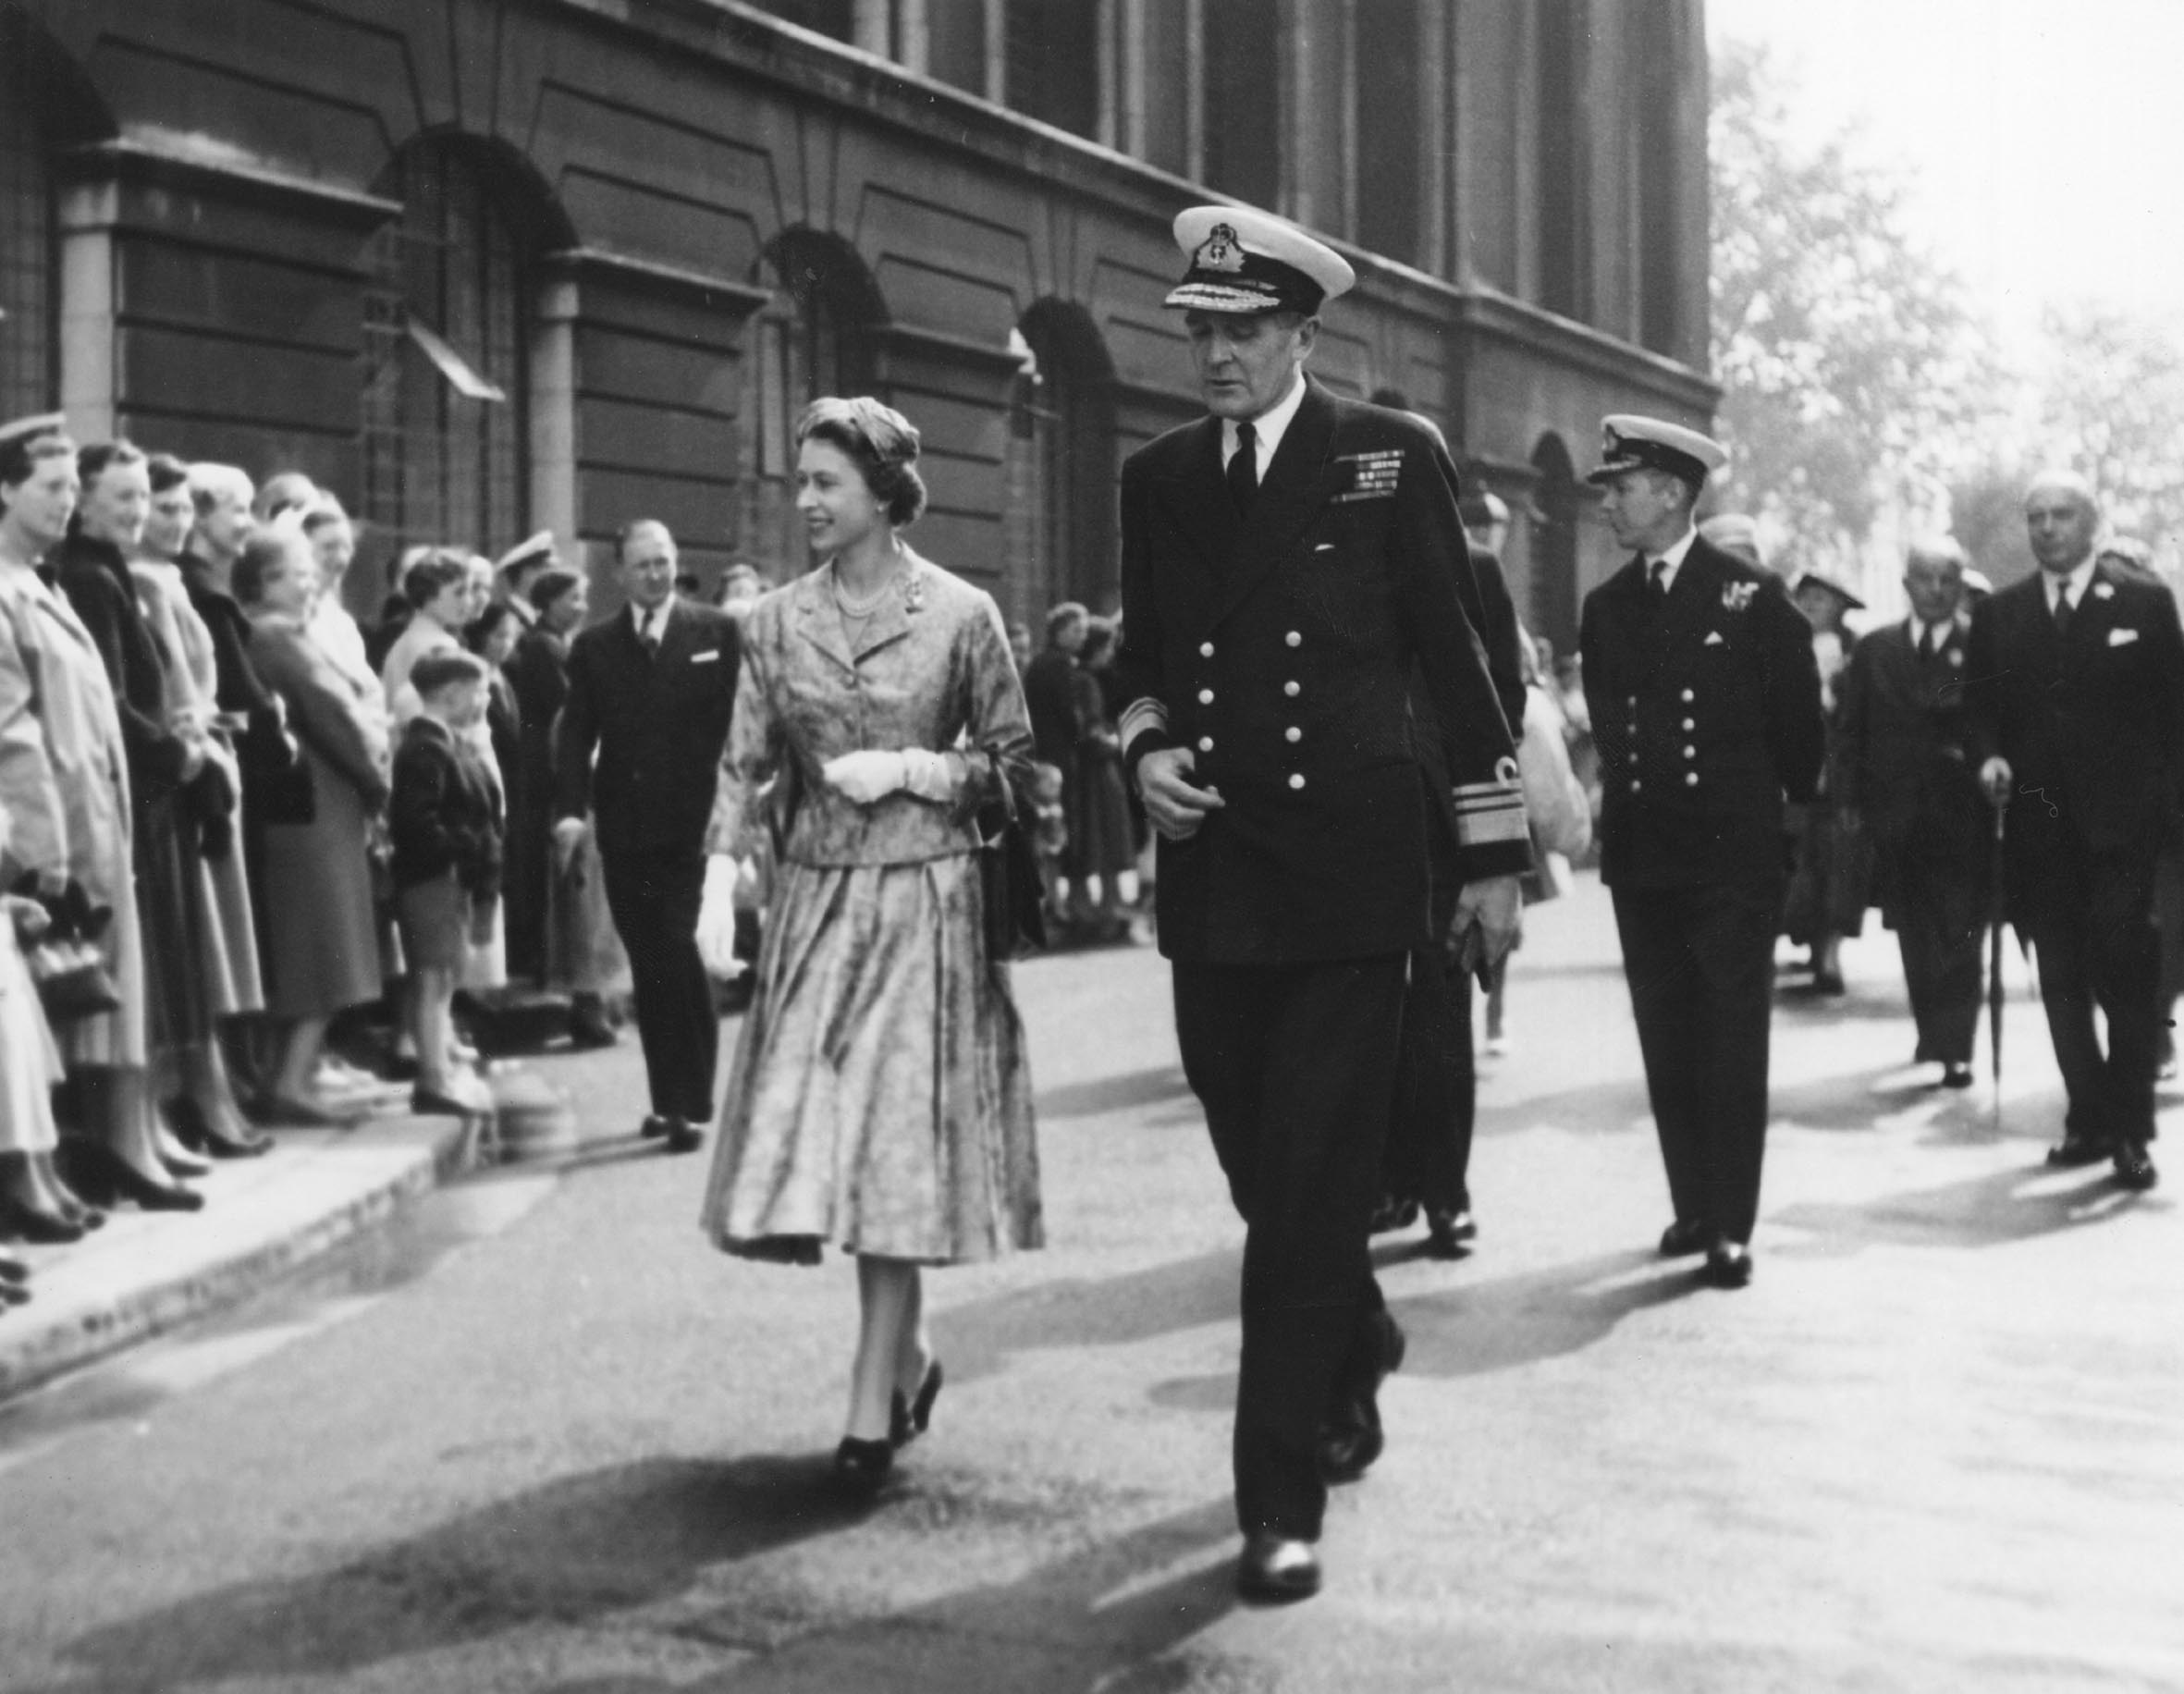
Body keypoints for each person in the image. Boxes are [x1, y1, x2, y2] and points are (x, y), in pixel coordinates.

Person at [1110, 208, 1527, 1602]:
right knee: (1260, 1171)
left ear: (1301, 334)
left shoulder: (1384, 455)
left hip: (1353, 881)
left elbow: (1455, 661)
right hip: (1217, 875)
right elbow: (1140, 661)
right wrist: (1146, 746)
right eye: (1200, 331)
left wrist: (1485, 858)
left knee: (1300, 1196)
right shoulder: (1158, 476)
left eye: (1242, 332)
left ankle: (1275, 1502)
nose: (1216, 355)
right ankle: (1352, 1334)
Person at [697, 394, 1041, 1493]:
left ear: (883, 490)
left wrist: (914, 769)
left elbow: (1016, 768)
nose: (803, 500)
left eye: (823, 483)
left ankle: (866, 1397)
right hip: (812, 907)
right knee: (826, 1149)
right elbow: (745, 761)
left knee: (894, 1145)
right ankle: (913, 1352)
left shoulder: (960, 613)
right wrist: (717, 874)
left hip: (923, 902)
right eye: (798, 481)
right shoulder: (773, 621)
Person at [1579, 415, 1824, 1291]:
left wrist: (1766, 826)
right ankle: (1691, 1204)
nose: (1609, 501)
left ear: (1676, 494)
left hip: (1729, 859)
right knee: (1667, 1037)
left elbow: (1801, 738)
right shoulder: (1606, 607)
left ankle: (1730, 1223)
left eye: (1623, 486)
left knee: (1727, 1041)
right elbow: (1610, 724)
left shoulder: (1749, 597)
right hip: (1645, 859)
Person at [0, 416, 201, 1214]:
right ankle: (44, 1173)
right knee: (51, 1010)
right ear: (5, 491)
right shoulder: (13, 591)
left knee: (93, 999)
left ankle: (67, 1163)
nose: (64, 504)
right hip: (53, 827)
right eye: (51, 488)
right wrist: (43, 850)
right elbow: (16, 734)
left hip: (95, 814)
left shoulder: (42, 584)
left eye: (69, 489)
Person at [1967, 473, 2184, 1191]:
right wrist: (1990, 755)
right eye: (2036, 518)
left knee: (2125, 985)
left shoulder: (2146, 606)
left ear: (2091, 524)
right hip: (2039, 831)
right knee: (2059, 983)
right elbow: (1980, 710)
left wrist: (2165, 816)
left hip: (2123, 836)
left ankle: (2129, 1132)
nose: (2048, 528)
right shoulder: (2002, 613)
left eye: (2061, 516)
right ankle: (2086, 1118)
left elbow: (2174, 719)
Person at [48, 442, 226, 1185]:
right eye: (120, 498)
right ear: (85, 504)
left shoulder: (107, 574)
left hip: (145, 793)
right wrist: (176, 755)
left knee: (152, 971)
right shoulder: (89, 577)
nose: (137, 512)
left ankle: (144, 1129)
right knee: (133, 970)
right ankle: (129, 1139)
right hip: (132, 792)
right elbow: (115, 704)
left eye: (141, 499)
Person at [1375, 440, 1528, 1261]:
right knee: (1370, 1022)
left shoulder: (1476, 569)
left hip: (1439, 822)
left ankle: (1447, 1195)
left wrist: (1488, 841)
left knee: (1438, 1020)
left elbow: (1501, 695)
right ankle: (1390, 1183)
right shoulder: (1331, 547)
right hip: (1356, 823)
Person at [553, 519, 739, 1151]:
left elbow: (743, 727)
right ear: (619, 573)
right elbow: (575, 732)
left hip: (697, 828)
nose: (656, 574)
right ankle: (667, 1100)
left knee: (680, 953)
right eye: (643, 565)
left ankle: (690, 1100)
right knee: (652, 966)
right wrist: (570, 810)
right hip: (627, 831)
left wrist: (744, 804)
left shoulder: (716, 632)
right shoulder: (595, 646)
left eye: (664, 562)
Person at [132, 453, 270, 1154]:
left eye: (184, 508)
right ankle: (201, 1093)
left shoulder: (174, 583)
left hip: (210, 765)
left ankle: (216, 1086)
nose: (175, 521)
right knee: (195, 946)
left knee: (213, 941)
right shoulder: (139, 586)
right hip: (183, 773)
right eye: (164, 508)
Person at [239, 527, 392, 1121]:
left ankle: (289, 1076)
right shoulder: (278, 636)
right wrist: (379, 782)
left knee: (319, 950)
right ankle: (290, 1083)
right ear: (263, 581)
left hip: (315, 806)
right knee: (324, 951)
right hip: (318, 808)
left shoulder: (271, 633)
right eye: (295, 572)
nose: (310, 581)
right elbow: (336, 713)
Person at [1834, 540, 1987, 1088]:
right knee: (1915, 931)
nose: (1937, 590)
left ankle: (1959, 1045)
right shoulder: (1876, 650)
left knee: (1962, 931)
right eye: (1926, 578)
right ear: (1907, 586)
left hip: (1962, 815)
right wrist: (1850, 800)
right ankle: (1932, 1032)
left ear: (1961, 586)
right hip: (1895, 814)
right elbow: (1852, 730)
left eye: (1948, 579)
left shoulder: (1982, 647)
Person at [507, 567, 620, 1047]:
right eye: (574, 597)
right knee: (581, 908)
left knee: (587, 908)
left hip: (573, 797)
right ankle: (587, 1006)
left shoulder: (556, 650)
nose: (582, 605)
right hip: (570, 800)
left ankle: (592, 1003)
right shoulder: (547, 653)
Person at [389, 650, 502, 1113]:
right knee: (433, 979)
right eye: (479, 691)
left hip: (447, 879)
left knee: (443, 978)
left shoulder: (448, 742)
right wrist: (464, 846)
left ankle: (439, 1067)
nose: (485, 699)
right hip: (432, 879)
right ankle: (433, 1078)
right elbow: (417, 822)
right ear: (453, 694)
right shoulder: (426, 749)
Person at [1780, 569, 1869, 995]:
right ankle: (1801, 938)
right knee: (1794, 861)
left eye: (1822, 597)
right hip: (1789, 774)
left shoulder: (1859, 653)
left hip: (1840, 778)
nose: (1812, 604)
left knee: (1839, 862)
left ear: (1841, 606)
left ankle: (1830, 952)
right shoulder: (1780, 646)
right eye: (1806, 596)